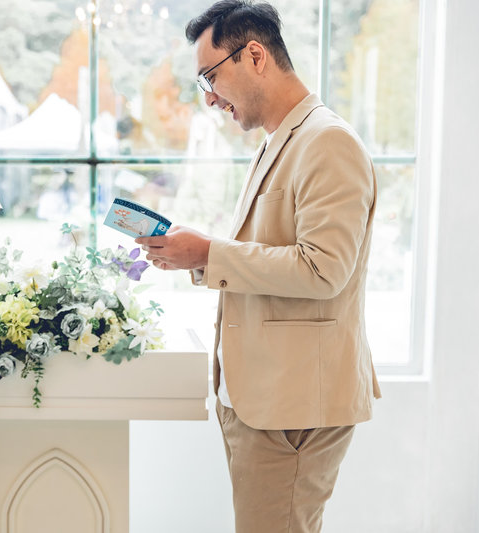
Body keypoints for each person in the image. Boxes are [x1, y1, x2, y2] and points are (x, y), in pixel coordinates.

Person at [136, 2, 381, 531]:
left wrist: (207, 253)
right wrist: (196, 259)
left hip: (293, 408)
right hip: (263, 400)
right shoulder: (279, 141)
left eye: (210, 76)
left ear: (253, 55)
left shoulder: (327, 142)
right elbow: (271, 253)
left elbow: (324, 270)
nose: (207, 97)